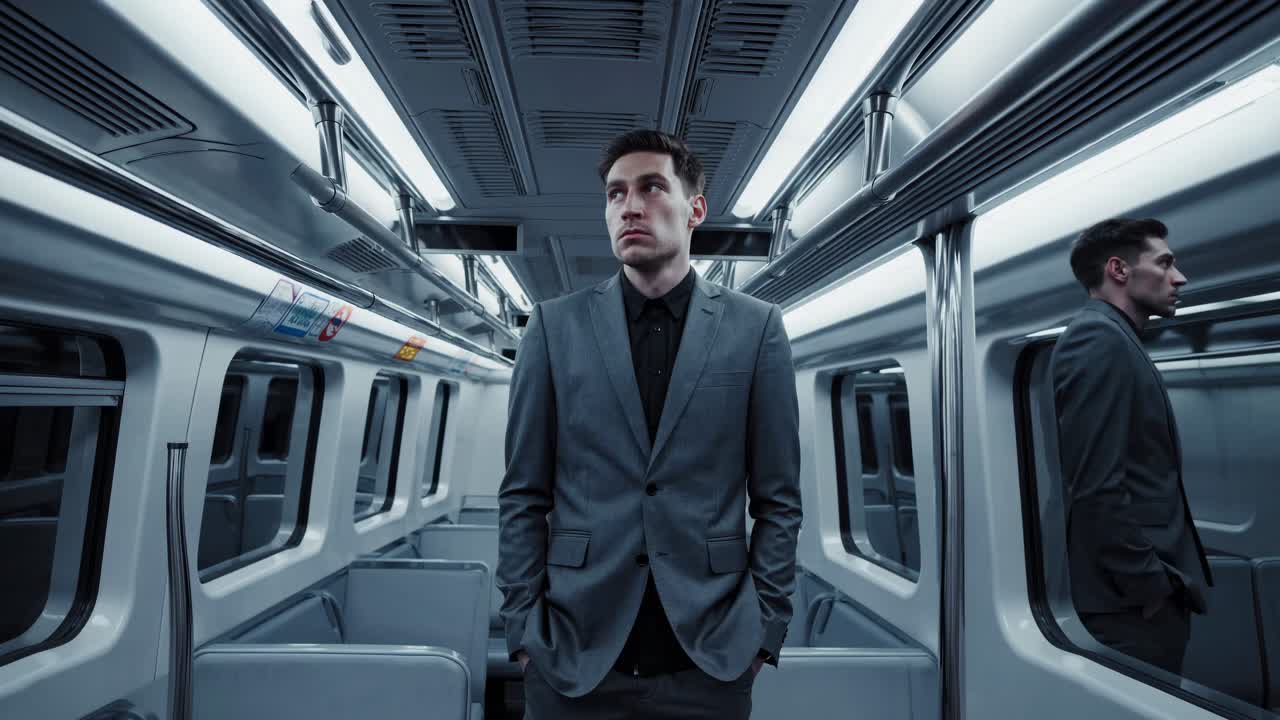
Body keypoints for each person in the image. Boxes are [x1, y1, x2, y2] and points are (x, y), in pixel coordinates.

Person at [496, 129, 802, 719]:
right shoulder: (554, 328)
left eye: (651, 187)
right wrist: (523, 629)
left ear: (695, 209)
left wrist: (763, 630)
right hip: (572, 653)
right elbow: (522, 494)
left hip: (711, 657)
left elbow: (778, 500)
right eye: (615, 194)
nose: (629, 206)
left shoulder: (756, 329)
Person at [1051, 217, 1212, 675]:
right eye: (1165, 263)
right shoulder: (1097, 340)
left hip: (1136, 601)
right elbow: (1095, 487)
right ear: (1119, 270)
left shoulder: (1117, 339)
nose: (1179, 277)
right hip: (1132, 608)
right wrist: (1151, 588)